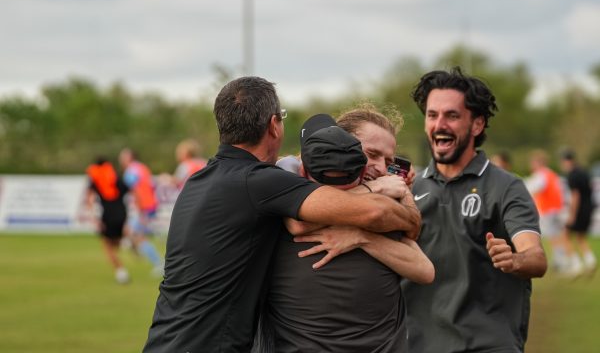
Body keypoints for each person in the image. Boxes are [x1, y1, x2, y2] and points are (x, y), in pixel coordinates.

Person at [142, 76, 420, 353]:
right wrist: (382, 188)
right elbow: (365, 213)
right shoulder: (261, 181)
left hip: (165, 339)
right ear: (274, 126)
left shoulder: (200, 180)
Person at [258, 112, 432, 352]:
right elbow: (298, 223)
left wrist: (363, 238)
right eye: (371, 154)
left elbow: (424, 269)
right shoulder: (287, 188)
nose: (381, 167)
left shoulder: (384, 208)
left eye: (388, 160)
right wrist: (372, 190)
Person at [401, 67, 547, 353]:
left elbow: (536, 259)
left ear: (477, 124)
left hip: (487, 344)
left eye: (452, 116)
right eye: (432, 115)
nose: (439, 124)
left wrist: (515, 260)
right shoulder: (408, 189)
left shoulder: (506, 187)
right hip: (417, 344)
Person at [526, 149, 579, 275]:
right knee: (559, 237)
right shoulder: (551, 173)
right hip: (557, 209)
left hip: (548, 211)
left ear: (537, 163)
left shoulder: (541, 175)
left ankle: (564, 262)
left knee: (555, 238)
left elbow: (532, 188)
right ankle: (565, 261)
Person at [119, 148, 164, 277]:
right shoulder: (142, 167)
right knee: (132, 233)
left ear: (129, 158)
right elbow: (150, 186)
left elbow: (136, 190)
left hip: (144, 207)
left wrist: (140, 210)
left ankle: (159, 263)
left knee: (136, 236)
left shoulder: (130, 171)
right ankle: (140, 249)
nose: (121, 159)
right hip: (150, 205)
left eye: (123, 156)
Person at [86, 157, 130, 284]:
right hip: (122, 214)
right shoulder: (116, 177)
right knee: (115, 243)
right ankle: (126, 242)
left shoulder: (96, 179)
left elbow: (89, 199)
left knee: (107, 246)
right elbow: (130, 191)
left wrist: (93, 217)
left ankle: (121, 272)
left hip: (108, 216)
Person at [559, 148, 597, 274]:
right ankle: (590, 260)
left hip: (579, 210)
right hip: (589, 208)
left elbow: (576, 196)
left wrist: (572, 215)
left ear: (565, 161)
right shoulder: (583, 171)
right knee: (581, 236)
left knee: (565, 235)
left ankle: (576, 264)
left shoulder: (572, 175)